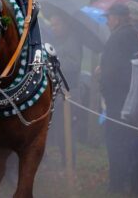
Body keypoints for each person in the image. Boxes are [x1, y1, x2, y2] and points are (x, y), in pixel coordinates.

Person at [97, 3, 138, 193]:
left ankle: (118, 183)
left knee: (118, 143)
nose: (107, 21)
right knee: (122, 143)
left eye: (109, 17)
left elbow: (123, 69)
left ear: (117, 17)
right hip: (123, 100)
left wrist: (104, 74)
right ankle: (123, 182)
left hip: (121, 101)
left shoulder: (124, 35)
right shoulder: (128, 34)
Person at [47, 13, 83, 167]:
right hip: (57, 92)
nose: (54, 28)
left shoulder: (73, 41)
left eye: (57, 25)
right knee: (60, 130)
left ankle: (70, 164)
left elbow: (74, 65)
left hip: (70, 93)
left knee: (67, 131)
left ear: (65, 25)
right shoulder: (56, 40)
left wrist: (55, 61)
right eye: (52, 25)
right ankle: (64, 162)